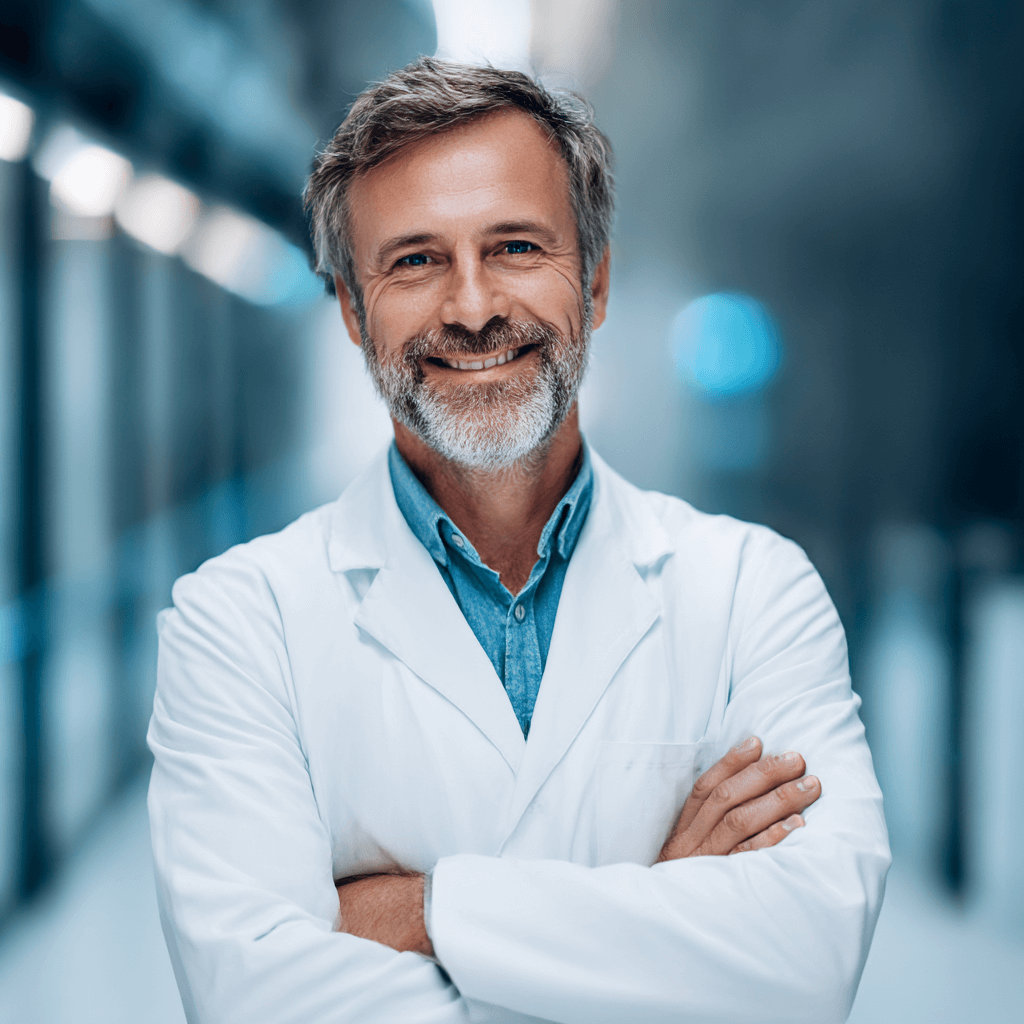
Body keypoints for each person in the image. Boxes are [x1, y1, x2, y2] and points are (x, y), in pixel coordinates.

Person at [148, 58, 889, 1024]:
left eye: (516, 247)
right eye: (413, 260)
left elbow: (806, 963)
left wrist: (419, 911)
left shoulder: (753, 590)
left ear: (598, 278)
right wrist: (666, 912)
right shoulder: (237, 625)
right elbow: (261, 1003)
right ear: (352, 312)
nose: (471, 306)